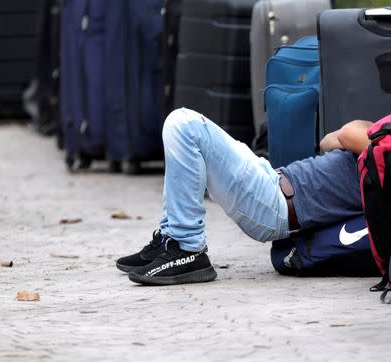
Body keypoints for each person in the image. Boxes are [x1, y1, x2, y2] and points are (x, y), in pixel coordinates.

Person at [116, 108, 373, 286]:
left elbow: (347, 134)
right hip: (272, 182)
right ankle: (171, 237)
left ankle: (187, 248)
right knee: (186, 129)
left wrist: (375, 129)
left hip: (277, 203)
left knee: (184, 124)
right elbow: (328, 140)